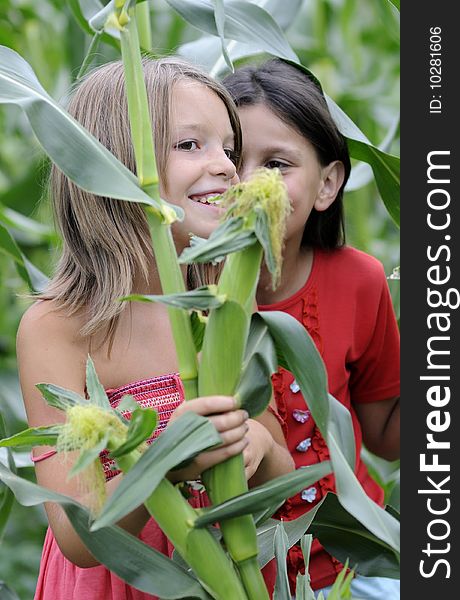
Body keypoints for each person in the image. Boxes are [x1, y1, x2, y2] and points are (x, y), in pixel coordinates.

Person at [16, 57, 294, 600]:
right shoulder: (56, 326)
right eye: (191, 146)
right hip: (121, 582)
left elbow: (281, 468)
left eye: (229, 150)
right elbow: (76, 533)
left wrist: (256, 444)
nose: (227, 168)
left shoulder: (224, 305)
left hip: (226, 573)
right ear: (108, 165)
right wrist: (167, 457)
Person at [223, 58, 400, 599]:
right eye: (232, 158)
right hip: (232, 576)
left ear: (327, 184)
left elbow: (388, 439)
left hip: (353, 563)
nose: (250, 181)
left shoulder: (359, 281)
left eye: (276, 163)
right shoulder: (181, 290)